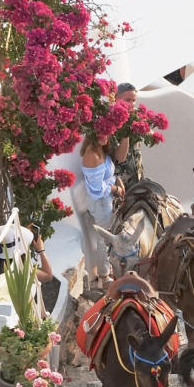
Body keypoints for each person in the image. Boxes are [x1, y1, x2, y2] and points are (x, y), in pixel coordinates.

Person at [70, 124, 124, 296]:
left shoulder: (101, 149)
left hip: (106, 199)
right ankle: (104, 276)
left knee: (107, 235)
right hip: (100, 202)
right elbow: (96, 189)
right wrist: (115, 190)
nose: (106, 135)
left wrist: (117, 181)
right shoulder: (92, 155)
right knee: (104, 238)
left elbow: (107, 176)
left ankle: (106, 271)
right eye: (102, 131)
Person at [113, 82, 145, 194]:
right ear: (115, 99)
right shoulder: (110, 122)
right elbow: (120, 157)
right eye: (127, 100)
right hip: (120, 186)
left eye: (134, 100)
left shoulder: (135, 119)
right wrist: (126, 128)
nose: (132, 104)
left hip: (137, 182)